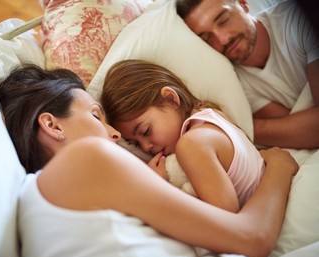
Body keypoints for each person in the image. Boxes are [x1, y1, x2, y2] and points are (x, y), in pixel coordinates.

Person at [0, 64, 298, 257]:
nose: (116, 136)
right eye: (96, 116)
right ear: (53, 125)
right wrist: (280, 166)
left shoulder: (40, 196)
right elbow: (253, 239)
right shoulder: (86, 158)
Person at [102, 59, 266, 212]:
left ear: (171, 100)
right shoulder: (210, 114)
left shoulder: (192, 144)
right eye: (135, 144)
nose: (146, 147)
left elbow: (226, 219)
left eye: (146, 131)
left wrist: (159, 187)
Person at [176, 0, 319, 149]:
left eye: (224, 21)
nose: (223, 39)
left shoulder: (298, 20)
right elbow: (300, 132)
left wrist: (240, 127)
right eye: (207, 38)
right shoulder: (232, 84)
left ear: (243, 4)